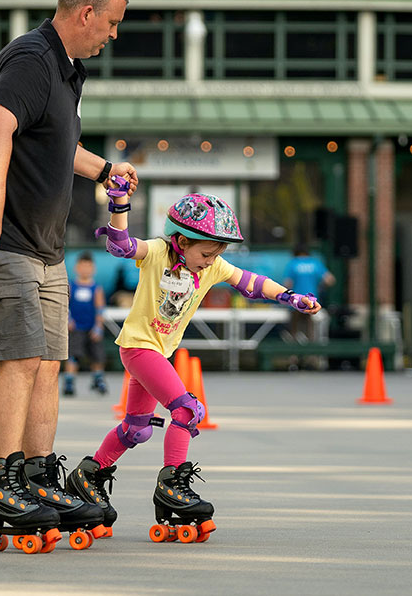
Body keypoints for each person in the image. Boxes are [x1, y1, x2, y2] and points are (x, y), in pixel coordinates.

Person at [0, 0, 138, 549]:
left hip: (44, 245)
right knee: (23, 357)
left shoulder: (67, 71)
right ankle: (0, 480)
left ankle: (35, 475)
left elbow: (55, 144)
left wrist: (103, 169)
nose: (113, 35)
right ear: (86, 14)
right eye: (112, 23)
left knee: (49, 362)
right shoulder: (32, 58)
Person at [63, 186, 320, 541]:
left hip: (156, 352)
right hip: (140, 348)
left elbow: (251, 283)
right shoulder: (156, 252)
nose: (211, 261)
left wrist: (288, 296)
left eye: (217, 255)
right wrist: (119, 204)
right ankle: (172, 485)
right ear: (182, 242)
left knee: (137, 429)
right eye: (206, 253)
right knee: (187, 409)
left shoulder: (211, 268)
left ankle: (87, 476)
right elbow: (121, 245)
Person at [64, 252, 108, 397]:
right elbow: (66, 304)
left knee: (96, 355)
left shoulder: (96, 288)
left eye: (88, 267)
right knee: (73, 355)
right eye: (82, 266)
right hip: (76, 328)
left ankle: (98, 378)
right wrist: (68, 319)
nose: (85, 270)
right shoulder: (71, 286)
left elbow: (100, 308)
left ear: (93, 269)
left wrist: (98, 326)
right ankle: (69, 381)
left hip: (91, 328)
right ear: (77, 268)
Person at [283, 246, 335, 342]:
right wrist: (320, 288)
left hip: (295, 300)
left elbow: (288, 283)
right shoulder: (315, 263)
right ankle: (310, 353)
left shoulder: (293, 263)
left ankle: (294, 354)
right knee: (310, 328)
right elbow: (330, 280)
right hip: (311, 300)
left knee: (294, 329)